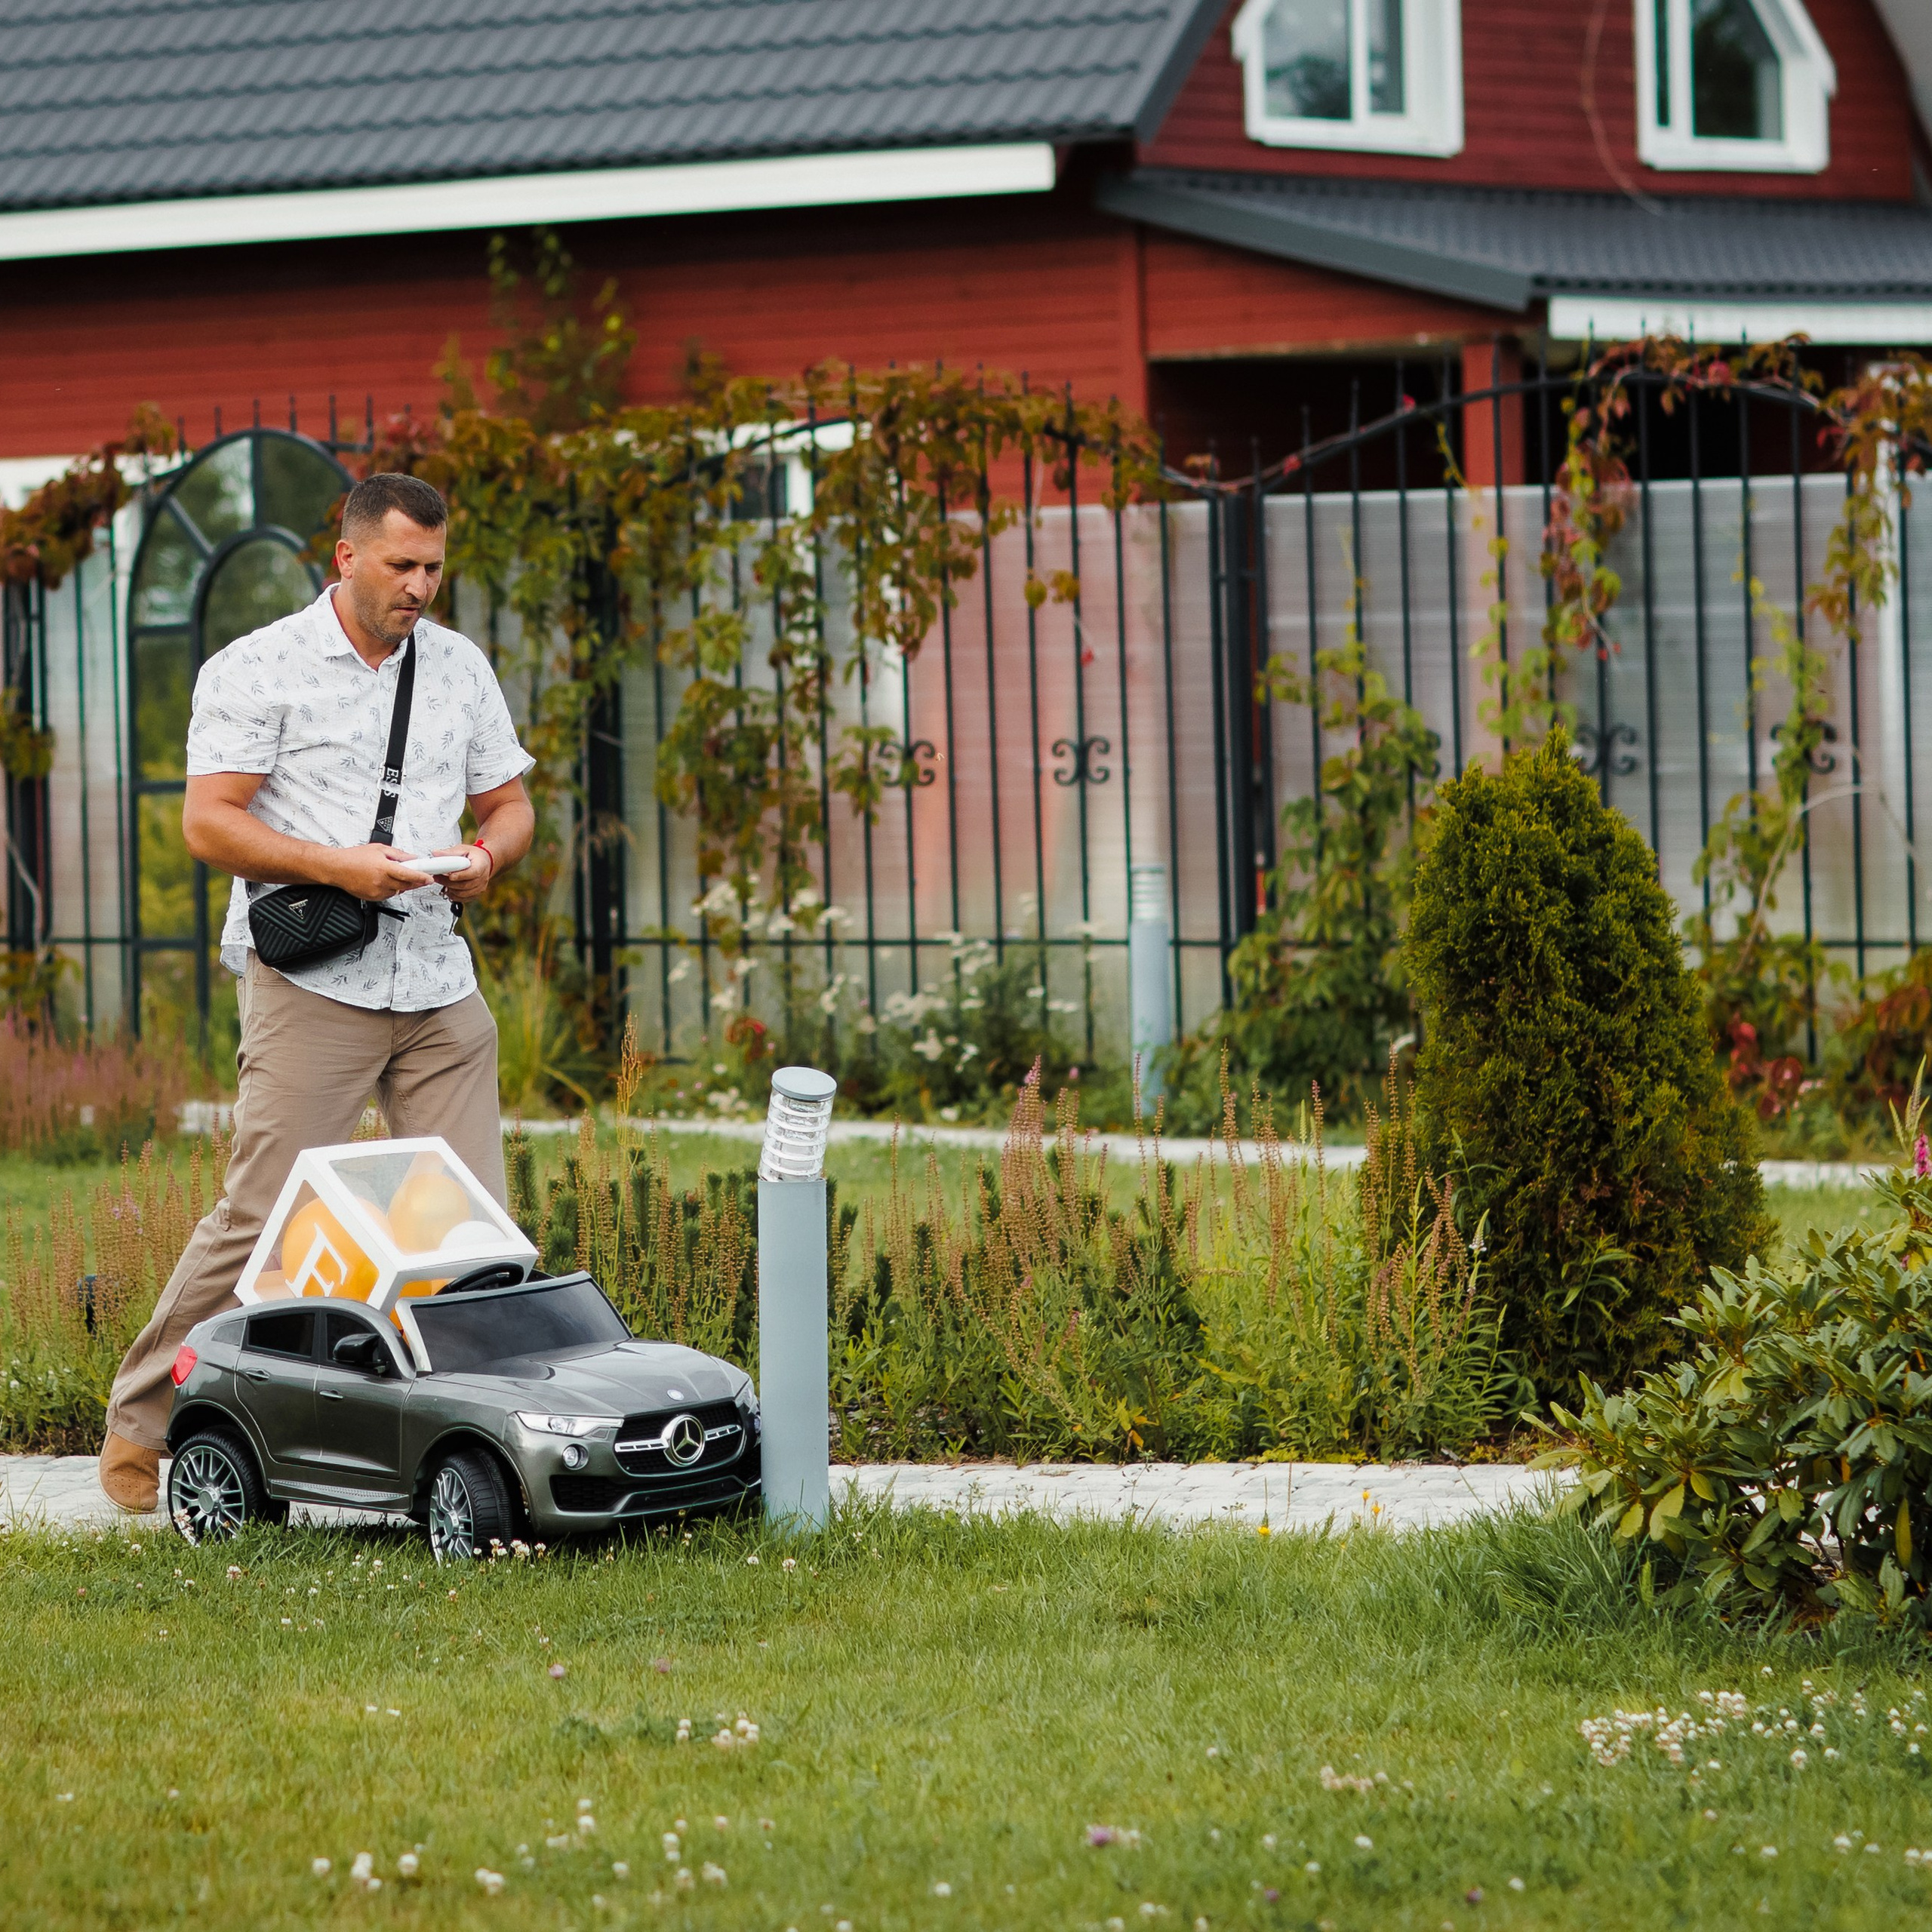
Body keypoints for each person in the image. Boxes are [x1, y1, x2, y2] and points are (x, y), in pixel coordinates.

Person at [98, 472, 536, 1512]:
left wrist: (486, 856)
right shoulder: (259, 669)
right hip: (314, 981)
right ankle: (142, 1421)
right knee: (262, 1217)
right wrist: (343, 866)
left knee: (471, 1228)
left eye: (434, 566)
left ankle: (471, 1447)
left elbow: (513, 803)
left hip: (436, 980)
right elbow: (211, 825)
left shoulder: (460, 668)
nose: (421, 586)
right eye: (402, 565)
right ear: (345, 557)